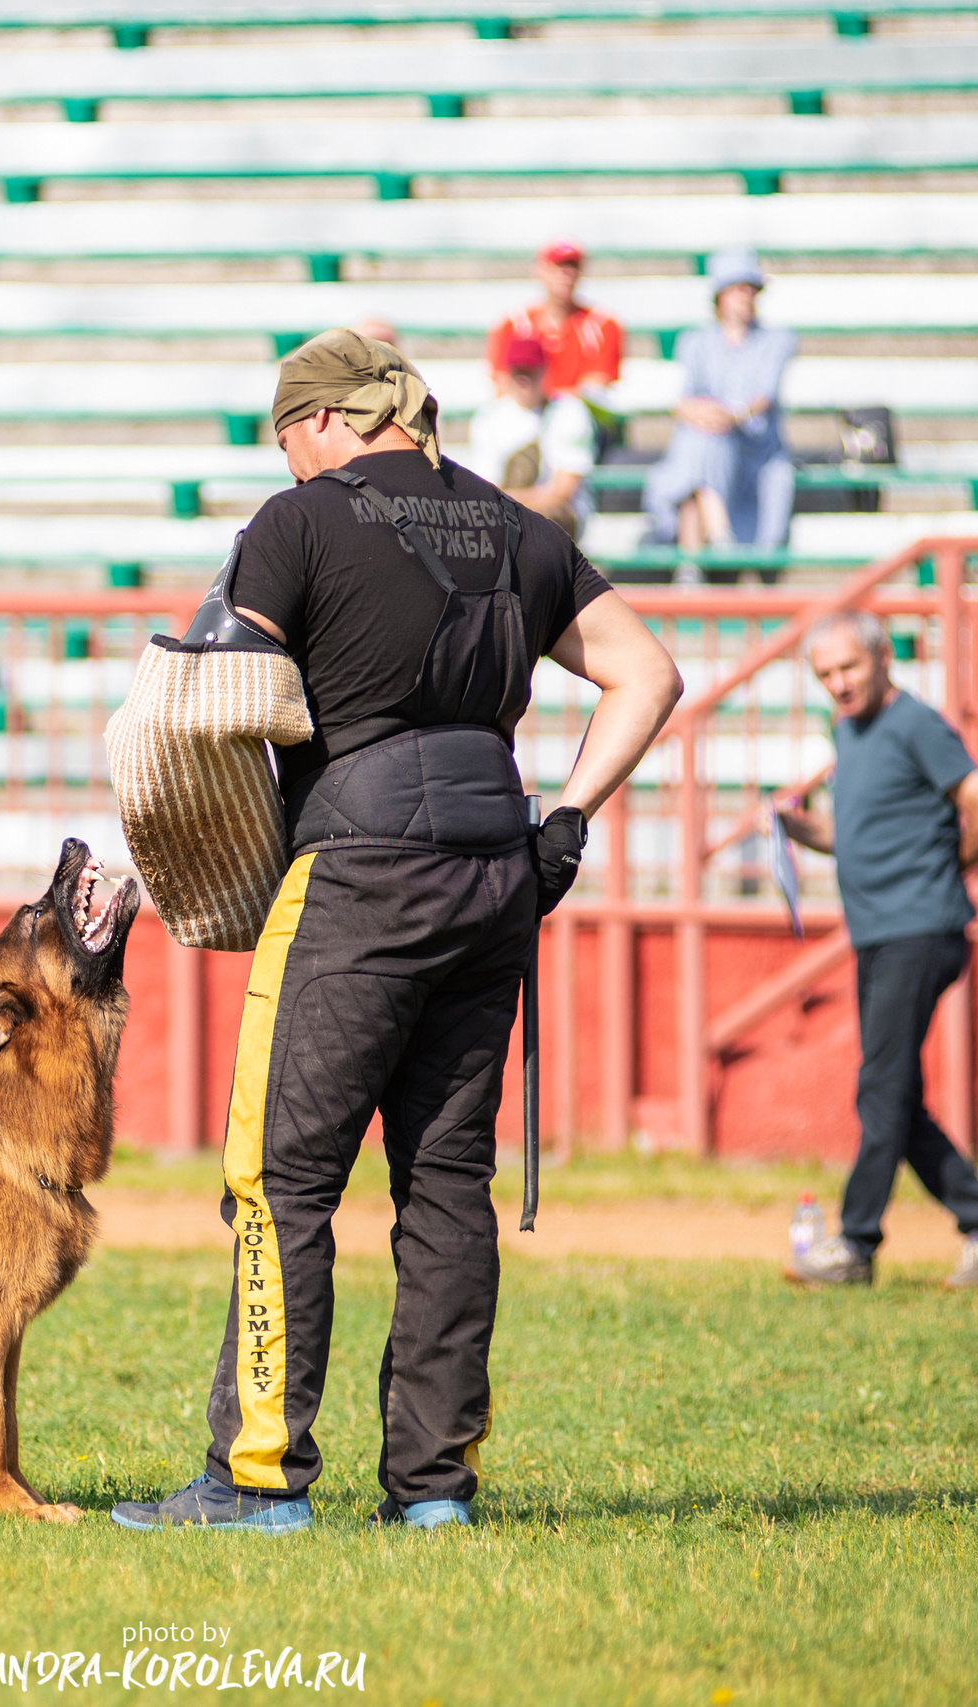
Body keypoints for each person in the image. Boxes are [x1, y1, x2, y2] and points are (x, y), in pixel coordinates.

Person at [110, 330, 681, 1535]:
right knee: (444, 1186)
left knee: (282, 1178)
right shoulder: (521, 528)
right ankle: (432, 1494)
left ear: (320, 424)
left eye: (285, 441)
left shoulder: (297, 521)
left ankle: (256, 1483)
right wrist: (565, 819)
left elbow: (222, 698)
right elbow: (647, 674)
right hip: (496, 872)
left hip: (359, 867)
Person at [772, 610, 978, 1291]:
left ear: (884, 658)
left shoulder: (917, 722)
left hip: (919, 930)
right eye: (825, 674)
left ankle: (855, 1244)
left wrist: (941, 868)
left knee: (880, 1088)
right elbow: (867, 832)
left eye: (849, 667)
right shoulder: (849, 731)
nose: (838, 683)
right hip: (881, 933)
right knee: (898, 1098)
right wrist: (805, 831)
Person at [642, 248, 799, 563]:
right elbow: (684, 401)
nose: (746, 296)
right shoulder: (696, 342)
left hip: (754, 452)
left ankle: (692, 569)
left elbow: (762, 398)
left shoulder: (777, 340)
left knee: (699, 450)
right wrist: (711, 416)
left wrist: (730, 416)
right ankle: (717, 534)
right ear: (720, 296)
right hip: (713, 446)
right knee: (703, 444)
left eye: (750, 289)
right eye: (738, 288)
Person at [462, 335, 598, 539]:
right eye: (518, 371)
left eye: (530, 371)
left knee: (547, 518)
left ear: (544, 371)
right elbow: (487, 488)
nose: (523, 379)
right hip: (510, 514)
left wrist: (506, 504)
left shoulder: (569, 411)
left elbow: (563, 491)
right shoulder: (489, 418)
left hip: (560, 517)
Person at [483, 239, 624, 401]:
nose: (566, 274)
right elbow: (503, 383)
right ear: (539, 270)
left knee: (571, 415)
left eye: (572, 267)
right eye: (557, 266)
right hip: (527, 410)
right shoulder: (514, 325)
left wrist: (549, 401)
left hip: (577, 414)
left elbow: (596, 387)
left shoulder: (602, 325)